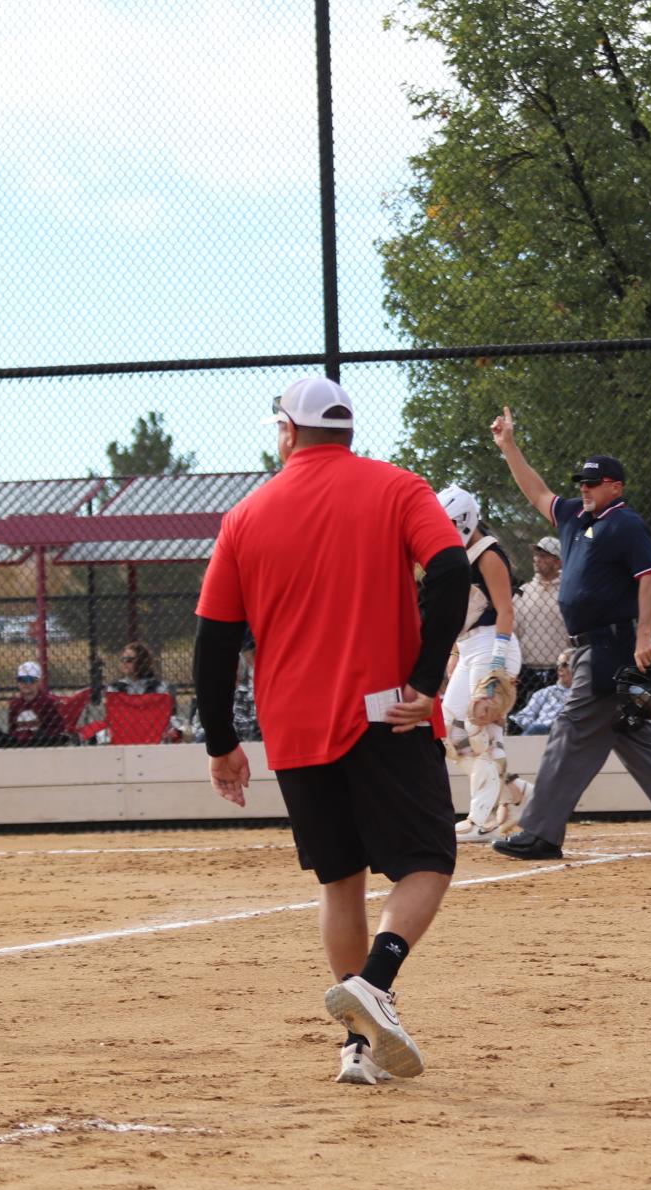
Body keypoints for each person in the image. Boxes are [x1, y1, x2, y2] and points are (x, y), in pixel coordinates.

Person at [195, 374, 471, 1087]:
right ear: (348, 433)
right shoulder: (398, 488)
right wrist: (427, 677)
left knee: (339, 881)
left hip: (293, 725)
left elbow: (215, 641)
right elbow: (448, 571)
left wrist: (222, 741)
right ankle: (376, 981)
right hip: (385, 710)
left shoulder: (245, 516)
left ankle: (357, 1047)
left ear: (287, 432)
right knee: (428, 859)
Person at [485, 407, 651, 860]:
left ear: (615, 486)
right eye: (582, 482)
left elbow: (649, 578)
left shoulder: (626, 522)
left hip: (608, 646)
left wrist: (644, 636)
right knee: (634, 735)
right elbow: (536, 491)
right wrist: (509, 447)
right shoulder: (577, 516)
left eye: (593, 483)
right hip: (587, 648)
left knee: (569, 732)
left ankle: (539, 831)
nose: (585, 488)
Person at [434, 486, 534, 844]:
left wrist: (496, 664)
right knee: (450, 729)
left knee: (481, 731)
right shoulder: (459, 555)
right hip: (470, 646)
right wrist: (455, 654)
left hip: (494, 644)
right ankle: (517, 791)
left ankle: (483, 819)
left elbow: (505, 611)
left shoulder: (487, 553)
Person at [513, 534, 568, 694]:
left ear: (558, 561)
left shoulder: (568, 590)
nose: (537, 559)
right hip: (526, 670)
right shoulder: (524, 591)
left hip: (559, 669)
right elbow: (513, 631)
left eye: (543, 556)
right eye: (536, 555)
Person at [0, 660, 66, 746]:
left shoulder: (46, 702)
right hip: (19, 744)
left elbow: (58, 728)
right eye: (21, 680)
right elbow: (12, 729)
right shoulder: (15, 704)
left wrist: (41, 734)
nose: (26, 683)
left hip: (40, 744)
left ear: (38, 682)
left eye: (30, 680)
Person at [510, 651, 573, 735]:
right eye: (558, 664)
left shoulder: (584, 693)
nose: (559, 668)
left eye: (565, 665)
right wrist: (538, 726)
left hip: (570, 732)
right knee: (536, 728)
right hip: (544, 731)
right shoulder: (546, 692)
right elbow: (523, 716)